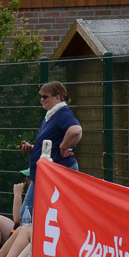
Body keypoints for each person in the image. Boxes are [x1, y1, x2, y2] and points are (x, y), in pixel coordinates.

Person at [18, 80, 82, 224]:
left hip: (58, 170)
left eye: (45, 97)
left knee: (28, 215)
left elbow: (76, 130)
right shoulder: (51, 116)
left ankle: (27, 238)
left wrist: (63, 148)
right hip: (45, 172)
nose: (42, 99)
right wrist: (33, 148)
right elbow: (51, 143)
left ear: (57, 97)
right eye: (41, 96)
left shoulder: (62, 113)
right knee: (30, 215)